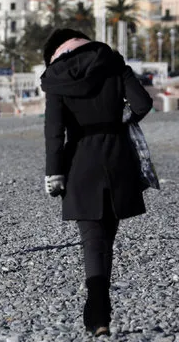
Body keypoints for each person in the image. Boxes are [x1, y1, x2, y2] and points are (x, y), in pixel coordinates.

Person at [40, 29, 153, 337]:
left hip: (78, 163)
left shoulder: (55, 77)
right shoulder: (113, 62)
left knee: (92, 239)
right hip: (118, 158)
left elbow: (54, 132)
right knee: (107, 238)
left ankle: (98, 314)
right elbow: (142, 104)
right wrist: (119, 122)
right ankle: (100, 313)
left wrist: (54, 173)